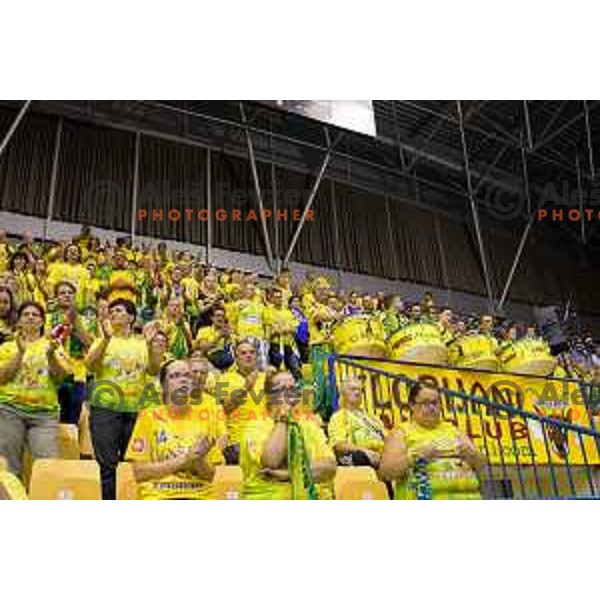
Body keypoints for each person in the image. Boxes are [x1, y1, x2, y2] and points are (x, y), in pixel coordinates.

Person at [84, 298, 162, 499]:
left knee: (132, 464)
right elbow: (90, 366)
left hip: (135, 411)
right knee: (107, 465)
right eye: (111, 311)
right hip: (105, 410)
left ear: (131, 317)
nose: (113, 314)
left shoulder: (141, 342)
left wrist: (152, 344)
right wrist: (106, 339)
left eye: (118, 310)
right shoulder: (102, 340)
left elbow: (154, 369)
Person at [125, 359, 225, 499]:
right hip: (159, 497)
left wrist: (198, 460)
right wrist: (184, 460)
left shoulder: (206, 417)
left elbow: (209, 475)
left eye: (187, 376)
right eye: (175, 376)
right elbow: (140, 473)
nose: (183, 380)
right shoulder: (148, 417)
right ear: (164, 386)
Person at [0, 302, 71, 478]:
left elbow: (61, 377)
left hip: (44, 415)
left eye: (35, 315)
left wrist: (50, 355)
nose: (31, 317)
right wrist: (20, 354)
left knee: (47, 467)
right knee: (9, 469)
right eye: (26, 314)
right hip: (10, 410)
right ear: (19, 321)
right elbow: (2, 378)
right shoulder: (7, 347)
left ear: (42, 322)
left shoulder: (54, 346)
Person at [240, 370, 336, 499]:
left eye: (292, 388)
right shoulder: (257, 426)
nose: (288, 394)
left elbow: (329, 467)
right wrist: (283, 416)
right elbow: (271, 461)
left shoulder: (308, 425)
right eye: (281, 389)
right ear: (268, 397)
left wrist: (288, 474)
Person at [379, 382, 485, 500]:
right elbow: (386, 472)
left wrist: (472, 454)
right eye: (425, 403)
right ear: (412, 405)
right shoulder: (401, 432)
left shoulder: (454, 430)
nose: (431, 408)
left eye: (435, 403)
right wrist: (414, 457)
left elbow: (481, 464)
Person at [47, 281, 94, 424]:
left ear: (75, 296)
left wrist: (76, 323)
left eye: (70, 292)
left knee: (72, 419)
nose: (67, 295)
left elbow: (89, 343)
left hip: (77, 373)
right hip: (53, 372)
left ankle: (71, 445)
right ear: (56, 298)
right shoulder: (47, 318)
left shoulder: (87, 319)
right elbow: (45, 342)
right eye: (62, 293)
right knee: (52, 418)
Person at [216, 340, 266, 465]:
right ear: (236, 359)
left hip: (264, 438)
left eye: (251, 352)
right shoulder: (223, 379)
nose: (248, 355)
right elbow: (223, 410)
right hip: (237, 441)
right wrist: (246, 388)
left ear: (256, 356)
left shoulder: (267, 378)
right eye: (243, 353)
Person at [328, 376, 386, 468]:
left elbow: (386, 439)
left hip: (382, 457)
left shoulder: (373, 418)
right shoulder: (338, 417)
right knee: (360, 456)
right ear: (343, 393)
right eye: (353, 389)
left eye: (360, 389)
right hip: (359, 460)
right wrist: (365, 451)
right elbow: (338, 445)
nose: (357, 392)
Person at [264, 287, 301, 380]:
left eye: (280, 297)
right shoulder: (268, 311)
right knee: (276, 370)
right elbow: (269, 329)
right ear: (271, 299)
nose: (278, 299)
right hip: (275, 345)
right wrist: (277, 331)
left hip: (289, 345)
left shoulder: (288, 312)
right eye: (276, 297)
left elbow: (295, 328)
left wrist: (285, 329)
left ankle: (298, 388)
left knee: (295, 368)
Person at [194, 305, 234, 370]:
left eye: (222, 316)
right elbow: (203, 348)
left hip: (227, 363)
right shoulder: (203, 330)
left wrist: (228, 338)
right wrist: (218, 337)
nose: (220, 318)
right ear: (212, 318)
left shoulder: (230, 332)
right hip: (209, 362)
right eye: (218, 315)